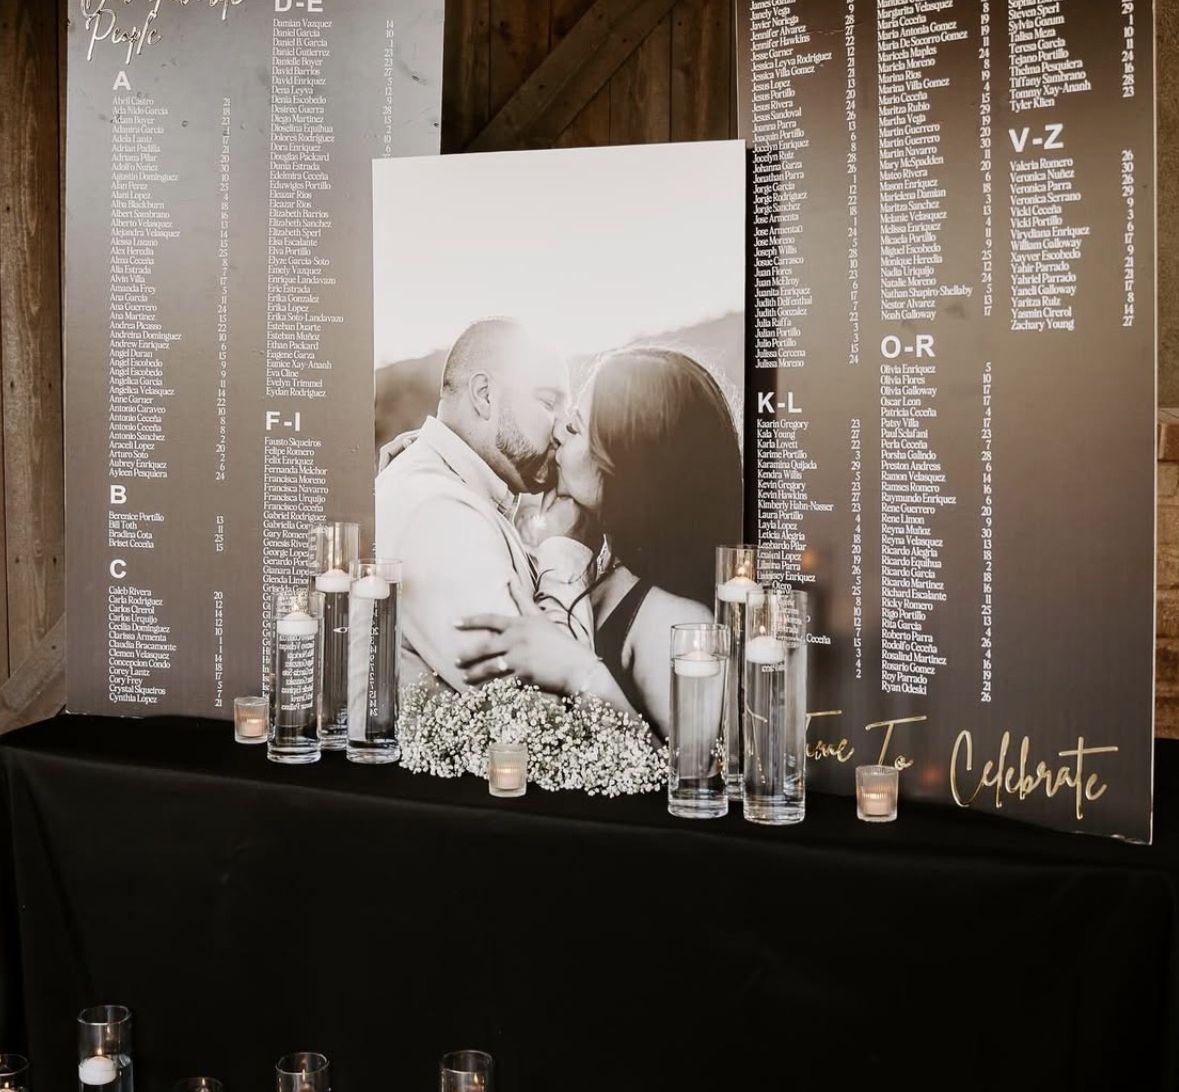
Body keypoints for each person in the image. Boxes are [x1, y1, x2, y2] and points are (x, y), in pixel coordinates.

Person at [455, 347, 743, 735]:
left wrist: (580, 672)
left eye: (574, 428)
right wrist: (438, 458)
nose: (557, 430)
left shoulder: (678, 622)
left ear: (627, 467)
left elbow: (694, 770)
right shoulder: (600, 563)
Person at [376, 318, 600, 692]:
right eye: (548, 402)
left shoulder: (454, 492)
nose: (562, 429)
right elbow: (536, 704)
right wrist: (567, 553)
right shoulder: (440, 516)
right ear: (484, 395)